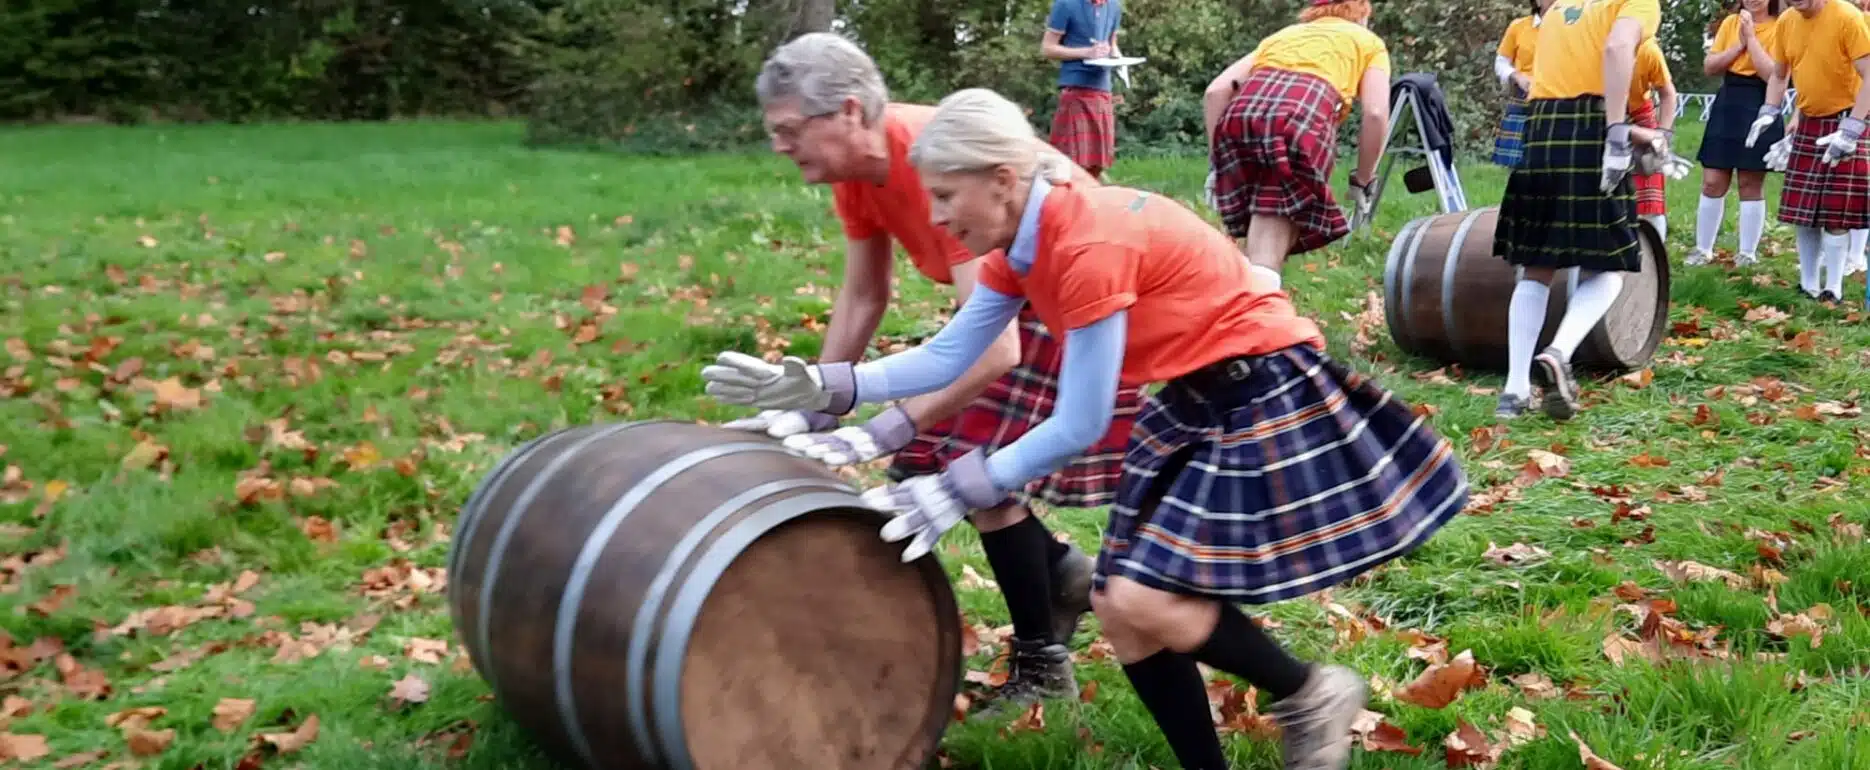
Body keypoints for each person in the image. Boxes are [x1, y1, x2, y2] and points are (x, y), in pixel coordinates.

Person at [700, 87, 1469, 770]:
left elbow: (1083, 419)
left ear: (1003, 179)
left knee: (1142, 599)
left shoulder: (1086, 241)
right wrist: (830, 384)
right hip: (1198, 393)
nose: (934, 218)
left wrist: (961, 486)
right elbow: (951, 353)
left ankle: (1310, 691)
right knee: (1121, 611)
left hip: (1261, 390)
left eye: (945, 196)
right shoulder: (1017, 244)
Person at [746, 32, 1145, 710]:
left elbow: (993, 348)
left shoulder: (935, 164)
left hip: (1074, 296)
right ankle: (1061, 575)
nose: (780, 146)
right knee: (932, 468)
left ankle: (1043, 663)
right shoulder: (860, 175)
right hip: (1013, 307)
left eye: (789, 129)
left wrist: (893, 425)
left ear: (848, 111)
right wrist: (813, 400)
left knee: (971, 472)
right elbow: (864, 296)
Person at [1491, 0, 1663, 422]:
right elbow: (1617, 48)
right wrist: (1618, 131)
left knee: (1536, 265)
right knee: (1609, 266)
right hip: (1593, 129)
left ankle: (1514, 390)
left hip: (1542, 130)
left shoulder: (1558, 8)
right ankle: (1558, 352)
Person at [1200, 0, 1391, 289]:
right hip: (1301, 118)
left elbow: (1216, 91)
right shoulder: (1369, 42)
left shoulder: (1286, 34)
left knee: (1263, 222)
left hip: (1242, 114)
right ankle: (1258, 307)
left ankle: (1245, 294)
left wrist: (1219, 165)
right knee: (1274, 228)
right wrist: (1363, 180)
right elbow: (1375, 113)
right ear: (1362, 13)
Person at [1748, 0, 1870, 302]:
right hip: (1809, 122)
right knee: (1804, 213)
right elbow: (1780, 74)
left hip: (1847, 120)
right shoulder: (1787, 21)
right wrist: (1769, 109)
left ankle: (1834, 288)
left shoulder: (1847, 17)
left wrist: (1854, 126)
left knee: (1837, 212)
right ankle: (1808, 284)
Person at [1692, 0, 1784, 267]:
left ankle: (1747, 253)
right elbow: (1710, 66)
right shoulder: (1731, 23)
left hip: (1761, 100)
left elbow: (1772, 74)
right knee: (1712, 180)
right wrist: (1739, 45)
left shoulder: (1781, 26)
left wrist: (1752, 39)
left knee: (1750, 181)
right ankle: (1702, 249)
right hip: (1728, 100)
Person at [1041, 0, 1124, 180]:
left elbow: (1112, 44)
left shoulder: (1114, 6)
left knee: (1097, 165)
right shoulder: (1065, 4)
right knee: (1069, 164)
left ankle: (1090, 196)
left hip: (1102, 91)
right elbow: (1047, 48)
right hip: (1075, 90)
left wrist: (1117, 57)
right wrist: (1086, 52)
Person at [1627, 37, 1679, 241]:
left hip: (1641, 118)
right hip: (1600, 117)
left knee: (1649, 194)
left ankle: (1655, 253)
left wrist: (1663, 135)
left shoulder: (1647, 50)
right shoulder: (1591, 42)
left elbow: (1668, 93)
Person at [1491, 0, 1552, 168]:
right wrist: (1516, 76)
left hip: (1555, 100)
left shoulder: (1570, 29)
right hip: (1523, 100)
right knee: (1512, 164)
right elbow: (1501, 63)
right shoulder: (1519, 27)